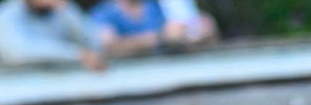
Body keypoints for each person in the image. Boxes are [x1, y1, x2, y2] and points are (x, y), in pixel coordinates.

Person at [0, 0, 108, 70]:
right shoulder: (4, 14)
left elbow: (95, 43)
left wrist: (67, 11)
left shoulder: (62, 12)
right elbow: (19, 52)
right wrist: (76, 55)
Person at [90, 0, 218, 55]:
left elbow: (190, 27)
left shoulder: (156, 7)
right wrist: (160, 38)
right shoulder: (103, 13)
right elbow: (109, 45)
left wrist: (199, 29)